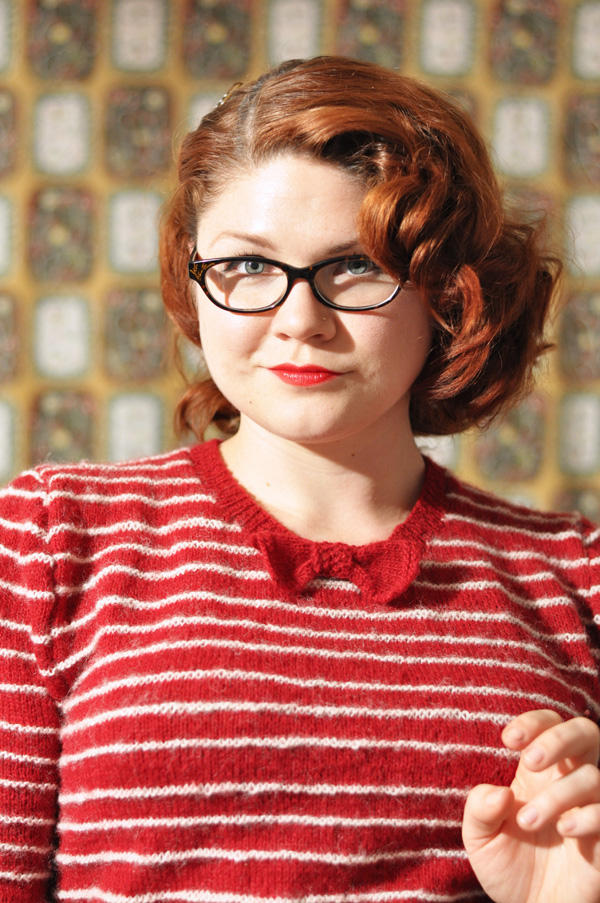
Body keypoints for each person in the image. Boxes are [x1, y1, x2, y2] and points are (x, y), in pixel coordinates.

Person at [1, 55, 599, 903]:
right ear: (193, 276)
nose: (299, 320)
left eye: (355, 266)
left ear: (447, 294)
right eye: (249, 266)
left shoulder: (578, 577)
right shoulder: (51, 536)